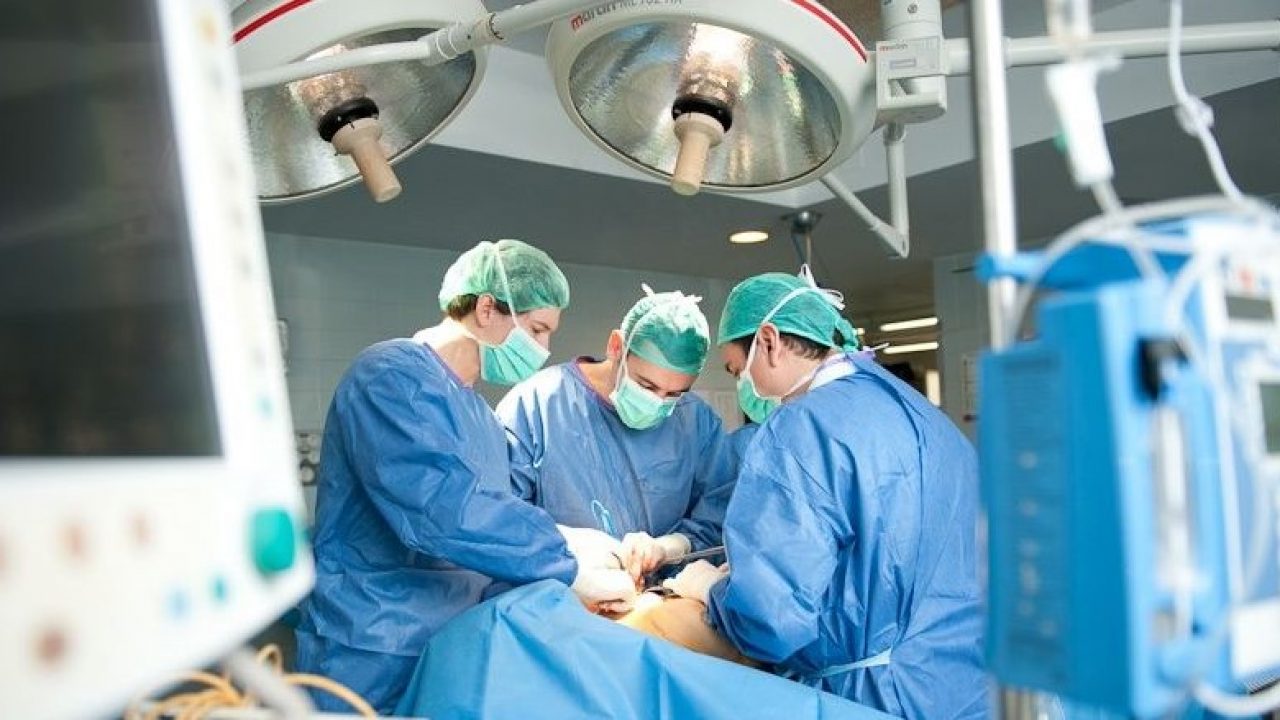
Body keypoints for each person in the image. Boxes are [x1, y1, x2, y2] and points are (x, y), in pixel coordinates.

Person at [294, 240, 636, 714]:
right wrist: (566, 563)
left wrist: (571, 543)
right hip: (371, 643)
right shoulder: (389, 377)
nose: (544, 349)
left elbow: (489, 521)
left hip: (453, 644)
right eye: (537, 329)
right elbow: (444, 512)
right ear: (487, 308)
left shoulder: (481, 418)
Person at [663, 268, 987, 719]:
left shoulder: (802, 426)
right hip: (965, 687)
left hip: (874, 697)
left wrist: (713, 591)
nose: (744, 386)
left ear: (769, 341)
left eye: (738, 370)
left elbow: (768, 619)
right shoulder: (920, 413)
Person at [496, 286, 736, 583]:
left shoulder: (694, 420)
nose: (658, 401)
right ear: (616, 347)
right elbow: (502, 520)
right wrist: (570, 555)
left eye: (675, 394)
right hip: (558, 597)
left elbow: (718, 515)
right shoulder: (538, 405)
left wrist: (672, 546)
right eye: (646, 385)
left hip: (660, 599)